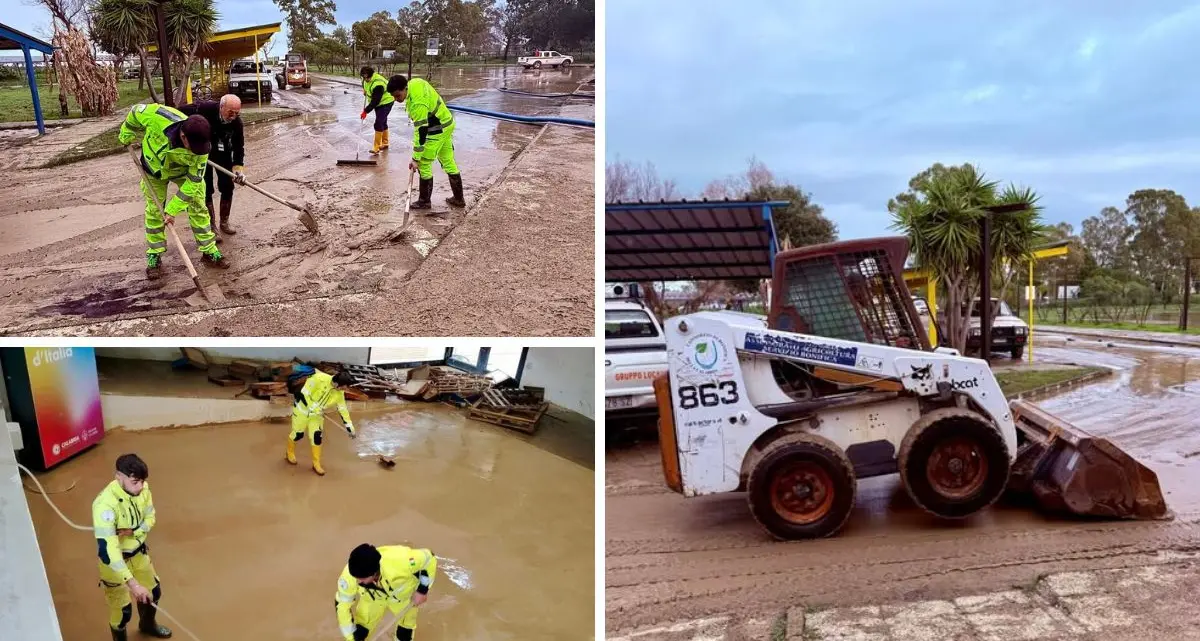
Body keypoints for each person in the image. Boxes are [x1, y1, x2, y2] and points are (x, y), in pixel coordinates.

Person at [118, 103, 230, 279]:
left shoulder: (202, 149)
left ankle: (209, 250)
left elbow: (193, 183)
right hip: (153, 169)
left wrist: (172, 209)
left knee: (198, 205)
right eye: (192, 147)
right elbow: (134, 112)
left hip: (182, 172)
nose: (196, 152)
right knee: (155, 211)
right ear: (184, 136)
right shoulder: (157, 116)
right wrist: (127, 131)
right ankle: (154, 254)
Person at [92, 453, 172, 641]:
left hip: (138, 553)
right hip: (115, 565)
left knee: (153, 592)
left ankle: (147, 624)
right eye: (135, 482)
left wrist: (134, 531)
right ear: (118, 477)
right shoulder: (105, 506)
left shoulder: (143, 490)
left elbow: (150, 517)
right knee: (122, 612)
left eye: (143, 481)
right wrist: (132, 583)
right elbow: (108, 551)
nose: (141, 487)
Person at [388, 74, 466, 210]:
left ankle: (424, 201)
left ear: (405, 88)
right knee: (448, 161)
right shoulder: (415, 82)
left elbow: (421, 131)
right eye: (394, 97)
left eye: (398, 96)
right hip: (446, 123)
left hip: (437, 129)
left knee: (423, 164)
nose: (396, 99)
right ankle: (459, 199)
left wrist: (416, 159)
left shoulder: (417, 104)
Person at [335, 543, 438, 641]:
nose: (358, 581)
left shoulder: (402, 560)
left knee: (405, 632)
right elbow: (342, 605)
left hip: (403, 598)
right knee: (360, 632)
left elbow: (429, 559)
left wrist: (422, 590)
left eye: (361, 578)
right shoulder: (349, 576)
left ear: (374, 573)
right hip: (372, 599)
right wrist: (350, 638)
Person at [178, 94, 245, 237]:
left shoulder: (237, 123)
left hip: (223, 152)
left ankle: (224, 222)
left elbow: (239, 147)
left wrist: (238, 169)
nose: (233, 116)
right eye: (230, 112)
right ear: (221, 107)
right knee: (206, 188)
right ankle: (211, 225)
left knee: (227, 186)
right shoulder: (204, 109)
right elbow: (179, 113)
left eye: (236, 113)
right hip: (202, 154)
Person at [288, 368, 356, 475]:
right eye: (345, 386)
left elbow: (343, 409)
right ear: (337, 383)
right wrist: (313, 407)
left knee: (317, 437)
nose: (346, 389)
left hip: (317, 416)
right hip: (302, 411)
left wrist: (350, 427)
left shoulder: (339, 393)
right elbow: (304, 393)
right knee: (297, 435)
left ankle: (316, 463)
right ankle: (290, 452)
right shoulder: (319, 378)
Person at [359, 66, 395, 155]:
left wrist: (365, 111)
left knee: (378, 122)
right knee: (382, 121)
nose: (365, 79)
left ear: (371, 75)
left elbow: (375, 101)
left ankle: (376, 147)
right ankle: (385, 142)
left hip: (386, 101)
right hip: (378, 102)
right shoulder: (364, 79)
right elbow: (365, 85)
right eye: (364, 77)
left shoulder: (378, 84)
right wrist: (365, 90)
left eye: (367, 78)